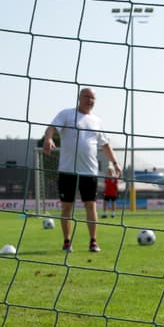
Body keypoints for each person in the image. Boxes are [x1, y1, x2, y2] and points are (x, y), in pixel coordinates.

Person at [42, 87, 122, 253]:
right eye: (87, 96)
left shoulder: (97, 121)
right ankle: (66, 241)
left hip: (89, 172)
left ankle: (93, 241)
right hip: (67, 171)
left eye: (93, 98)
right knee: (66, 207)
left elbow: (105, 144)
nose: (90, 100)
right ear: (79, 97)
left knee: (90, 206)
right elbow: (51, 127)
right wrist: (48, 139)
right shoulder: (66, 114)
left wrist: (115, 163)